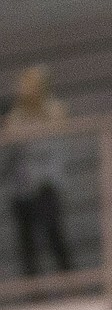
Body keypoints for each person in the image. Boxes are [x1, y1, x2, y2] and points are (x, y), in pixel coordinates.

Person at [2, 64, 73, 277]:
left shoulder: (54, 110)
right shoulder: (15, 115)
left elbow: (52, 142)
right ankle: (34, 293)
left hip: (46, 184)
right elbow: (13, 150)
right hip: (22, 186)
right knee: (27, 243)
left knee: (53, 234)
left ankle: (71, 280)